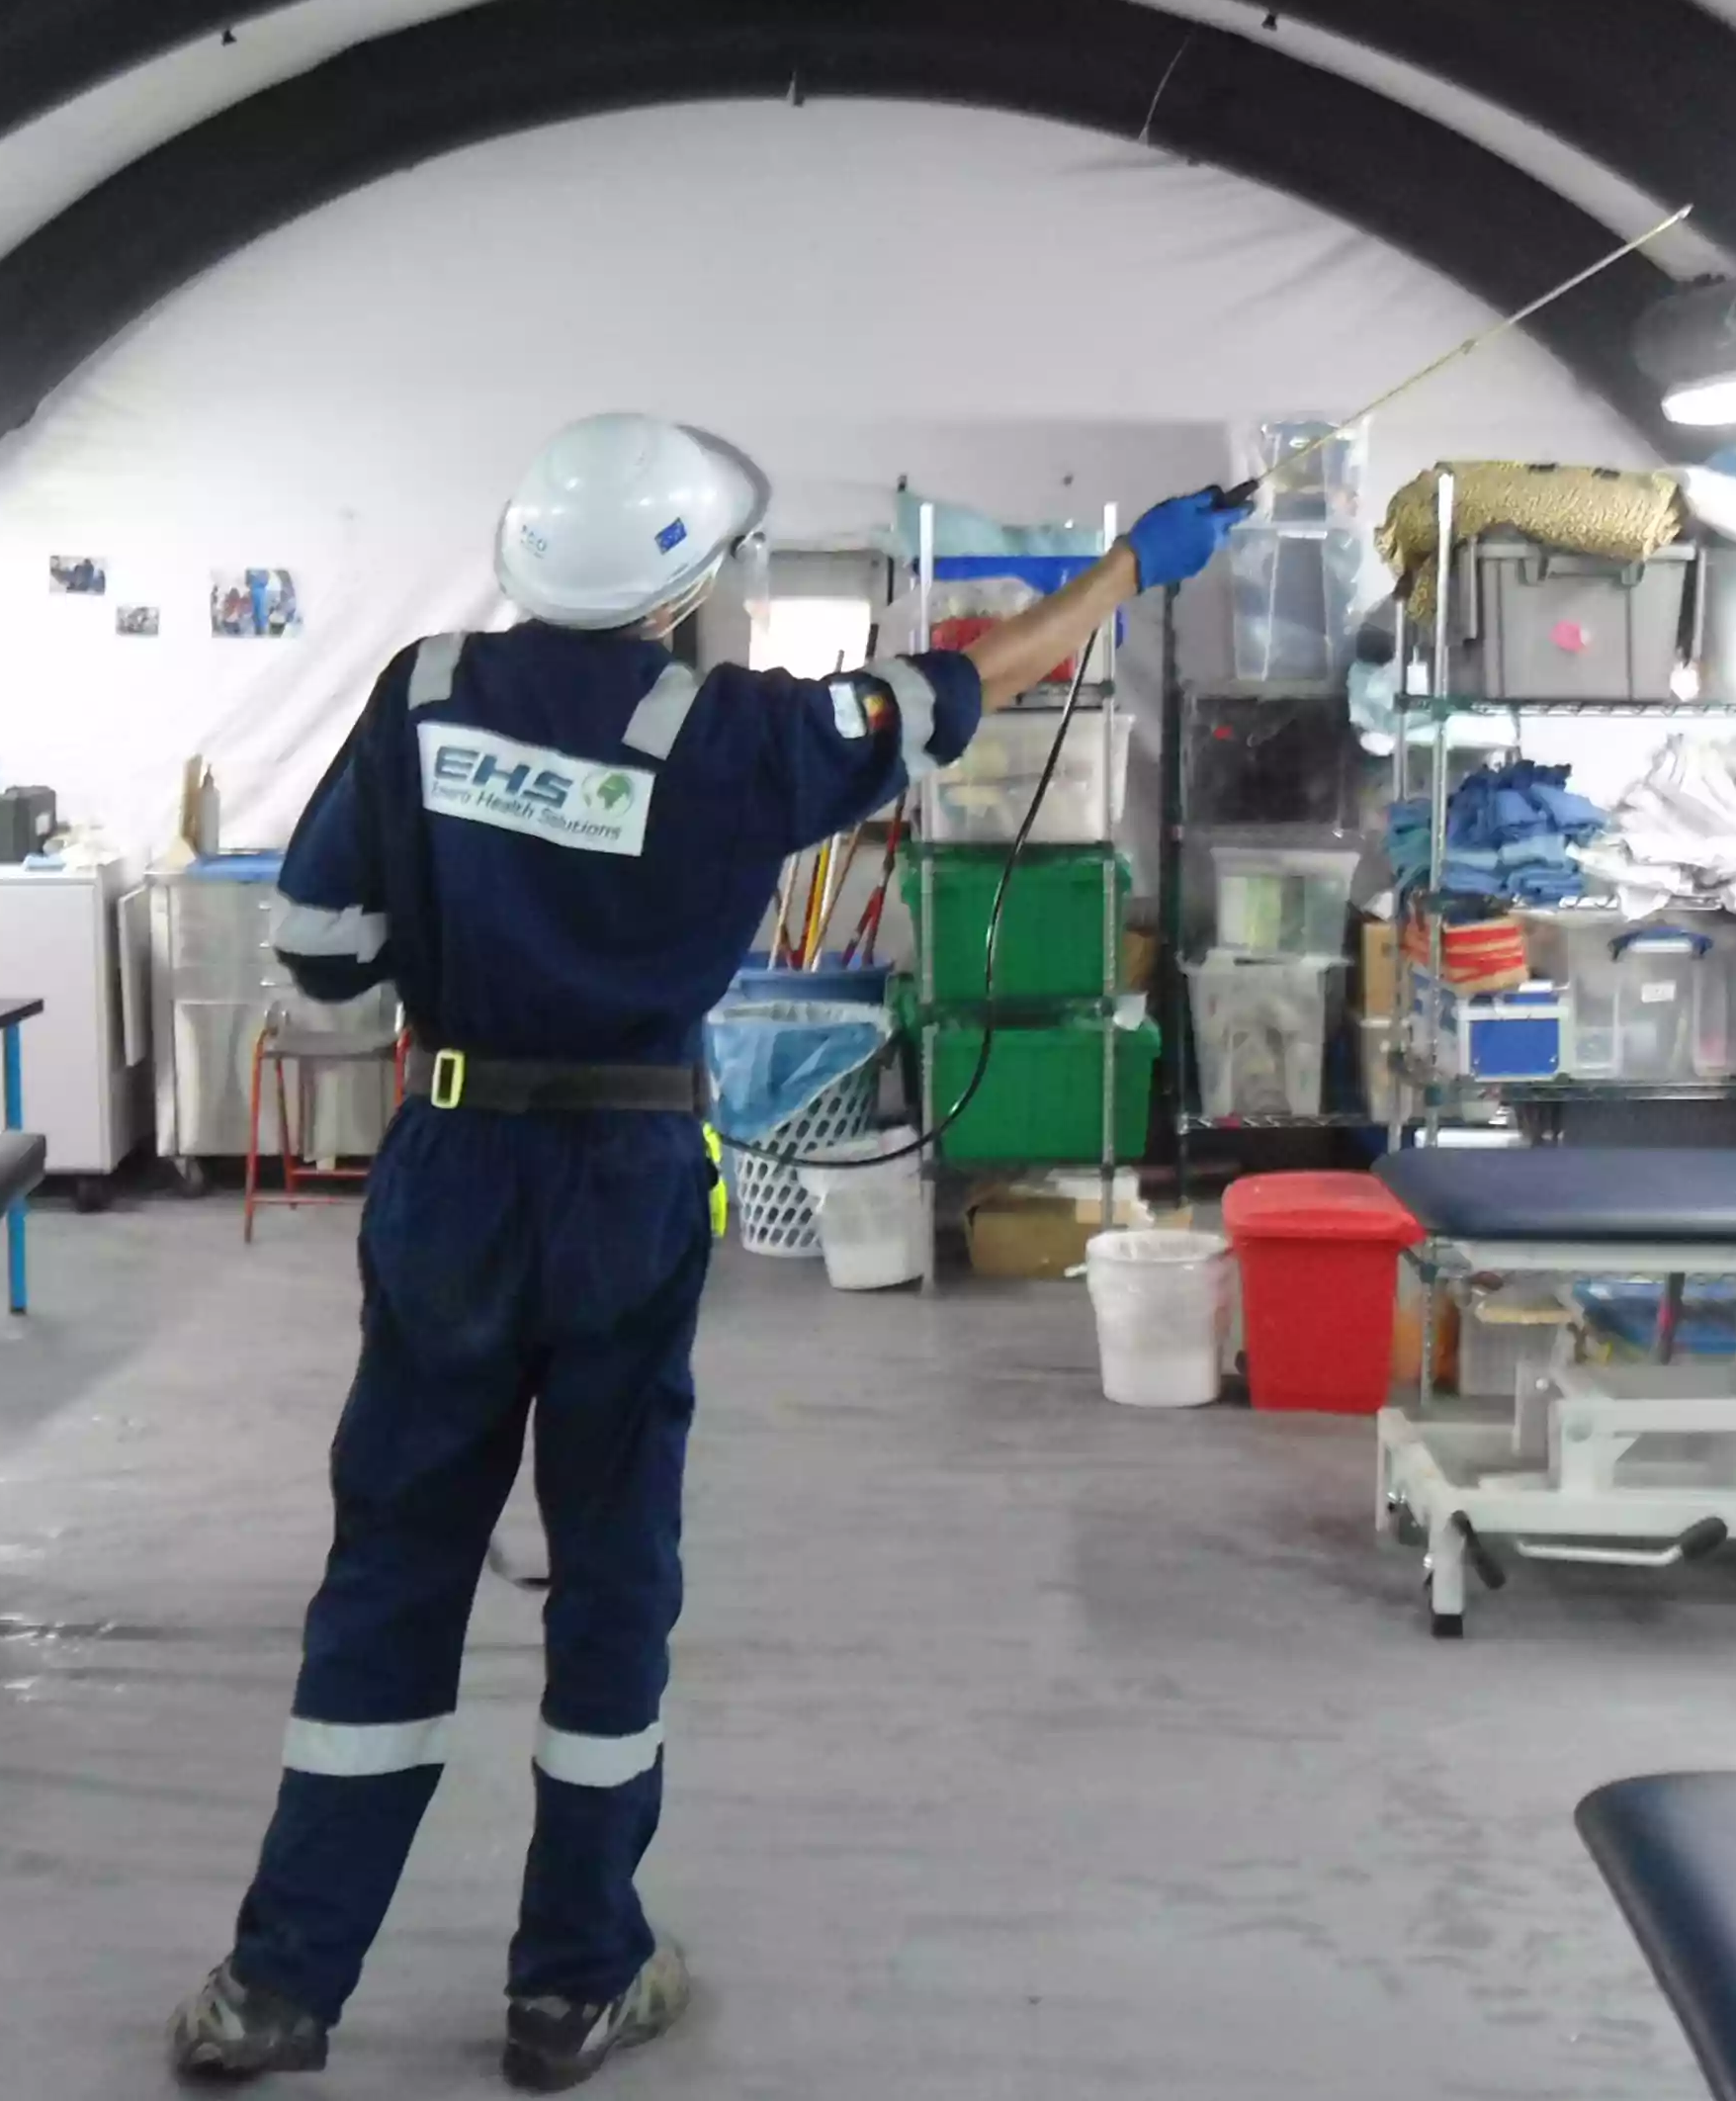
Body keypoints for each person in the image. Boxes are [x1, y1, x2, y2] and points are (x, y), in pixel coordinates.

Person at [170, 414, 1242, 2089]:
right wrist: (1128, 568)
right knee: (611, 1578)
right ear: (688, 583)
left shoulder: (420, 691)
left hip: (452, 1167)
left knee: (392, 1568)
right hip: (627, 1173)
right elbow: (970, 682)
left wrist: (442, 988)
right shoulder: (748, 736)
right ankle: (574, 1982)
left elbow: (316, 947)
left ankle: (279, 1987)